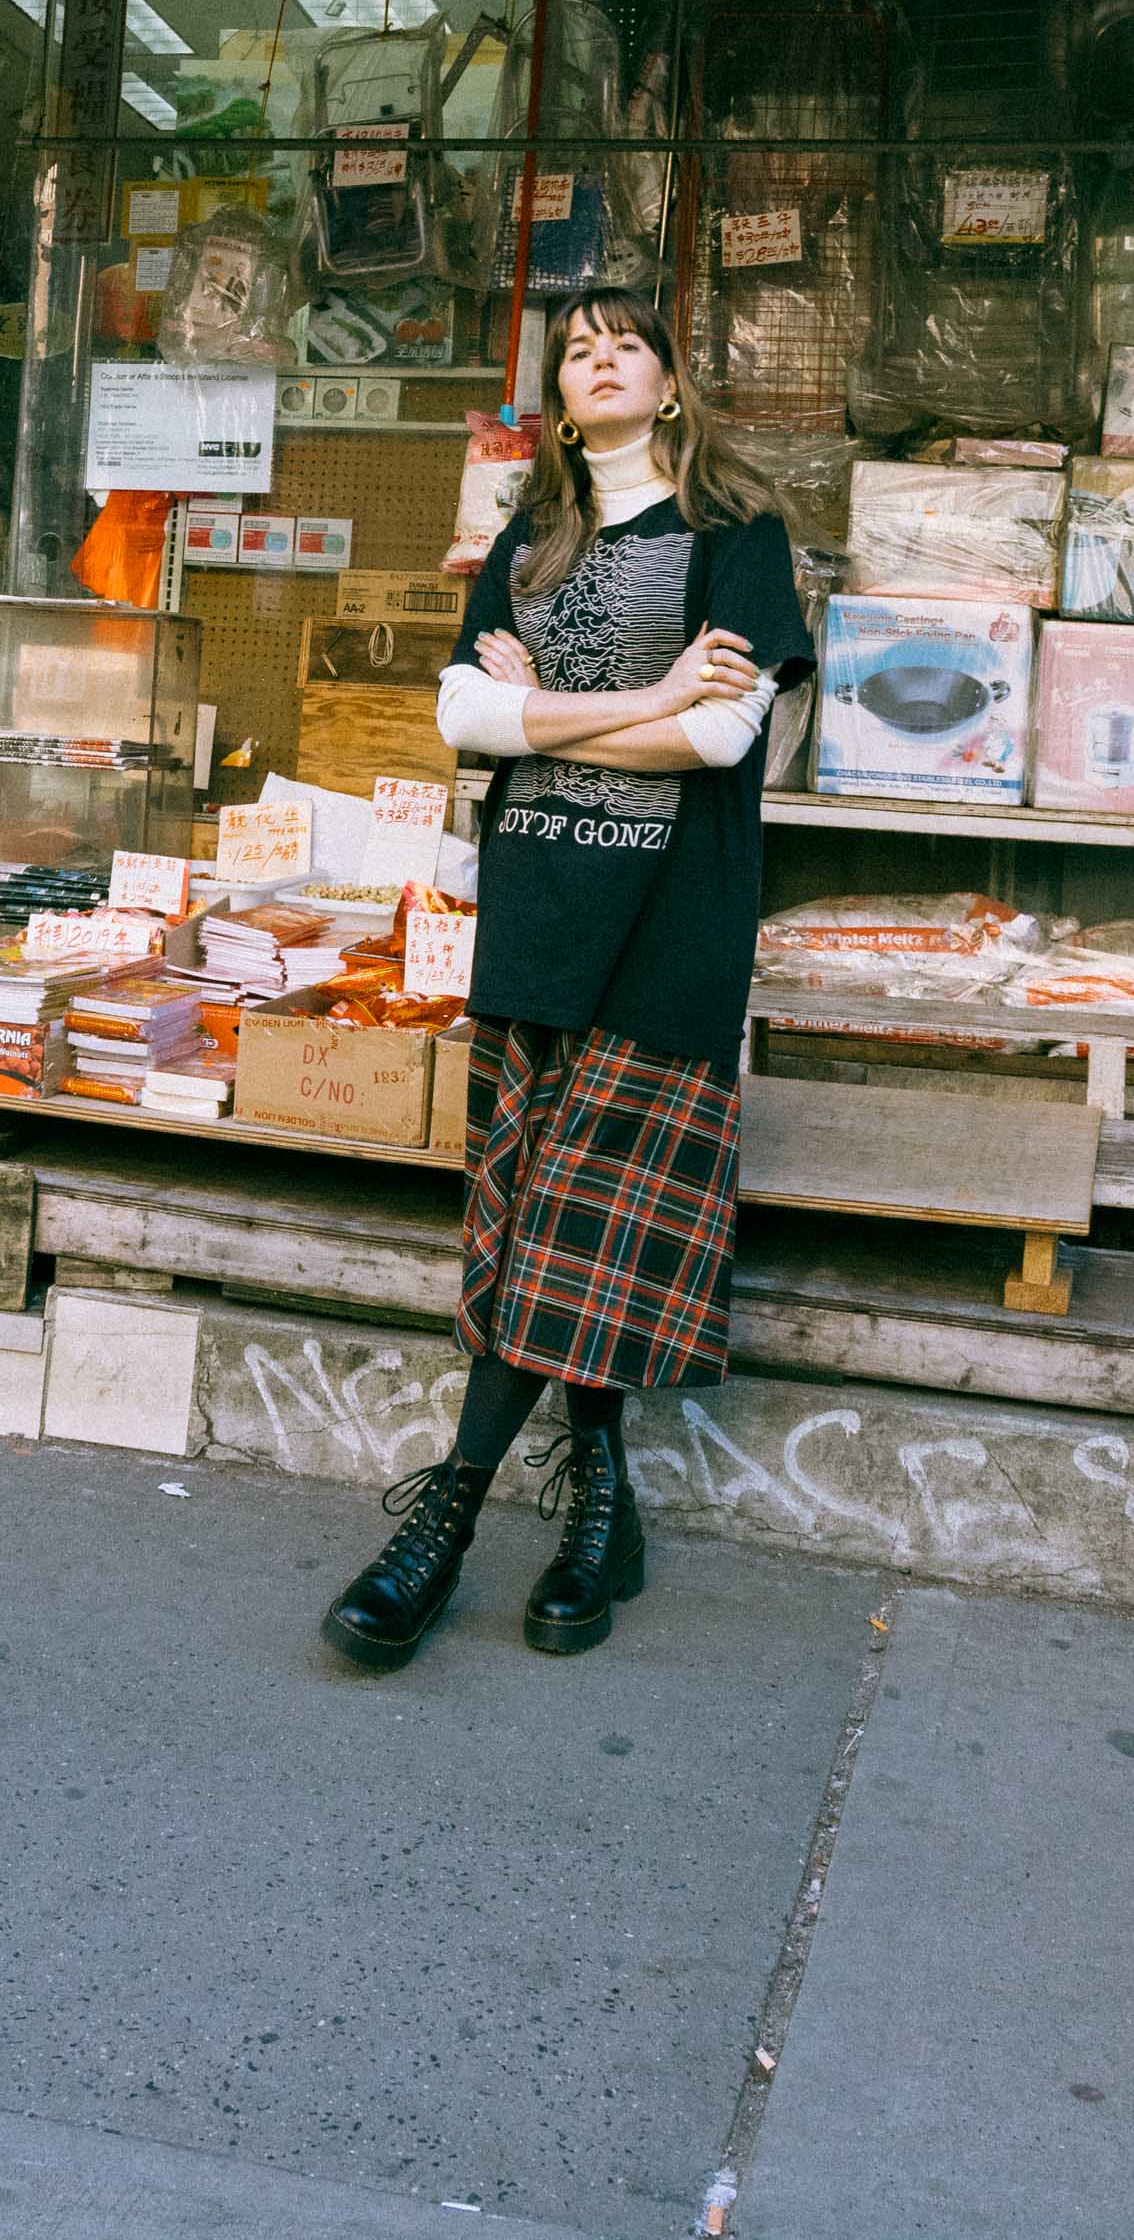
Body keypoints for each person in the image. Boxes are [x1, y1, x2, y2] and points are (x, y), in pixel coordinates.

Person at [323, 286, 811, 1671]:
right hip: (538, 915)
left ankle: (446, 1522)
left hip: (670, 924)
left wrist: (565, 716)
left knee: (573, 1225)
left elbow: (725, 743)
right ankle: (603, 1507)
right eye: (576, 350)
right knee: (539, 1216)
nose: (599, 362)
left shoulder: (734, 534)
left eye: (626, 345)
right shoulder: (530, 543)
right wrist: (651, 701)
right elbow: (463, 717)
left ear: (668, 382)